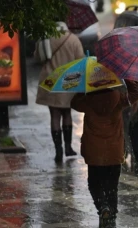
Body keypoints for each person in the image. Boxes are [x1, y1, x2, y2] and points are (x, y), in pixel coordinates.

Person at [71, 81, 138, 228]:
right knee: (112, 186)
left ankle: (103, 207)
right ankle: (111, 214)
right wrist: (127, 79)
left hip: (95, 152)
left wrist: (82, 88)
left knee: (94, 184)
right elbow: (136, 95)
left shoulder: (87, 100)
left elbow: (74, 103)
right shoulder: (119, 99)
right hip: (114, 151)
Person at [34, 21, 84, 163]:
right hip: (68, 81)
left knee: (54, 116)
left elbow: (37, 58)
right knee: (67, 113)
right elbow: (80, 60)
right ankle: (68, 147)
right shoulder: (73, 39)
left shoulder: (45, 38)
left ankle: (58, 150)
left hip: (50, 81)